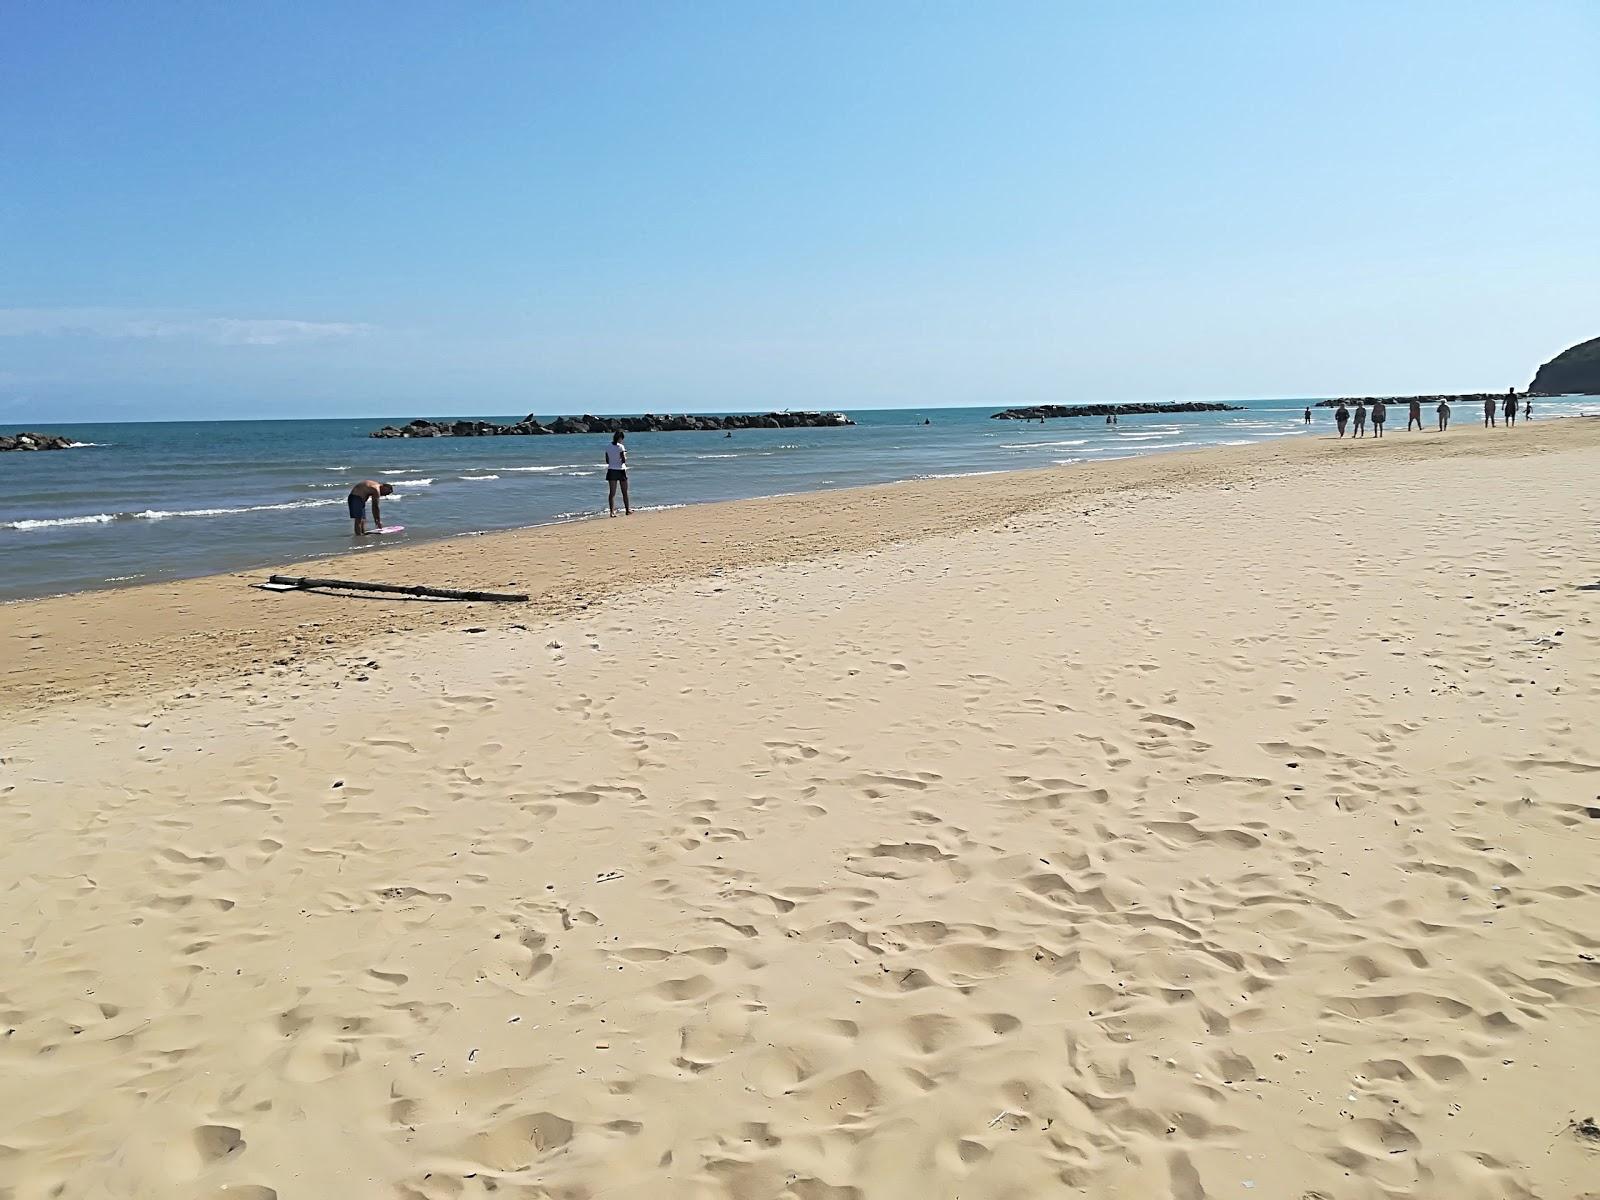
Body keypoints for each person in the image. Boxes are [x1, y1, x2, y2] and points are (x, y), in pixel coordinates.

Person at [605, 430, 631, 516]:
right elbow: (623, 460)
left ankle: (612, 512)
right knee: (624, 492)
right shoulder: (621, 447)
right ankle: (627, 510)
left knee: (612, 492)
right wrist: (624, 456)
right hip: (620, 470)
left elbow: (607, 461)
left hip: (611, 470)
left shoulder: (608, 446)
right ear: (620, 438)